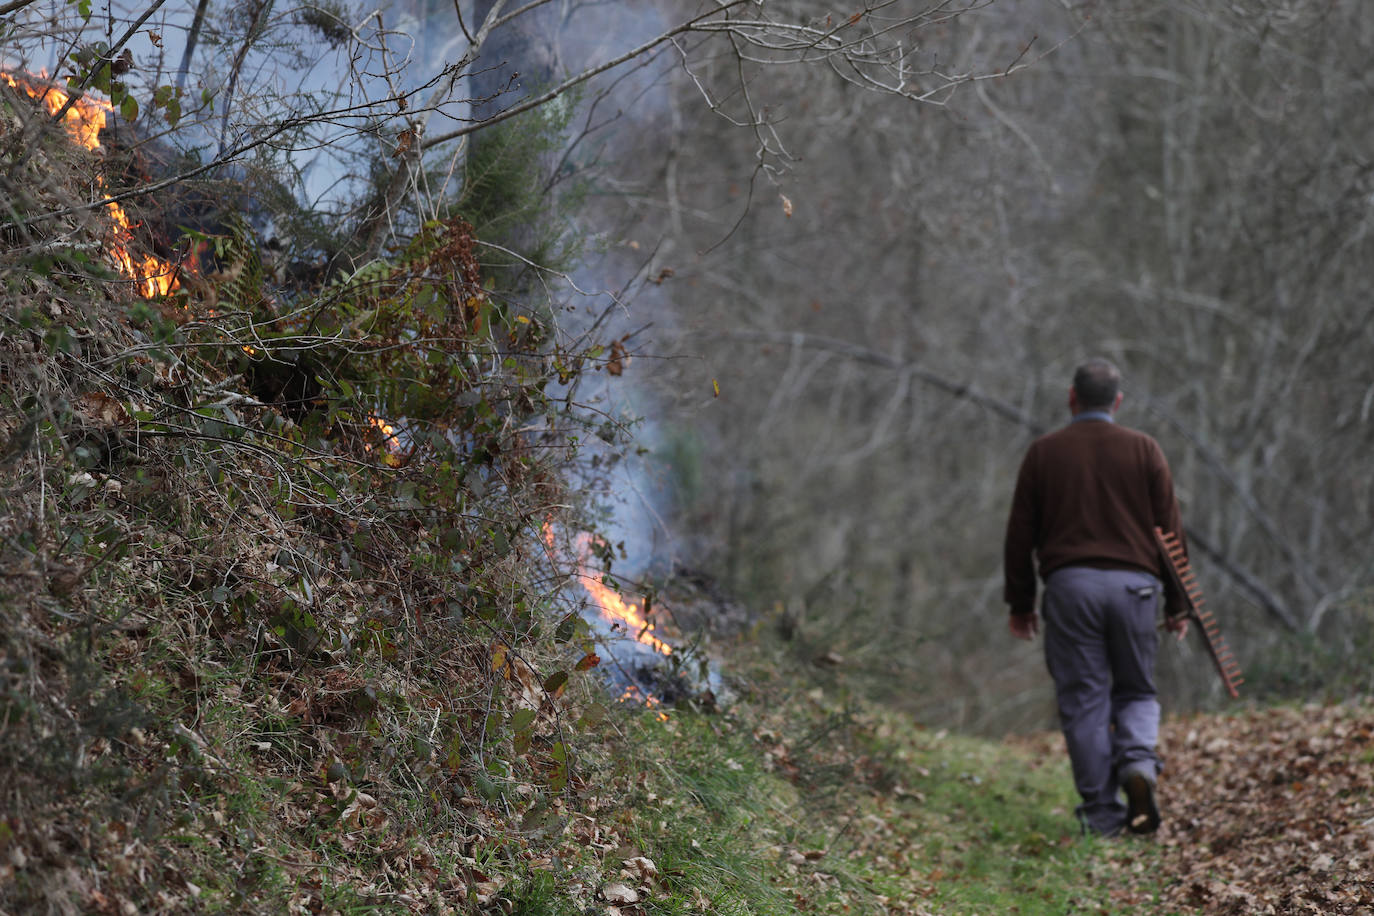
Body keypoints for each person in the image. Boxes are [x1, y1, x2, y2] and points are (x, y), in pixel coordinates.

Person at [1003, 358, 1188, 838]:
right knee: (1137, 689)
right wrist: (1177, 603)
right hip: (1136, 588)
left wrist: (1020, 604)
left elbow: (1019, 535)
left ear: (1072, 397)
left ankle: (1103, 818)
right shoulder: (1144, 449)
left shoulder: (1044, 453)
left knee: (1084, 701)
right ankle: (1138, 765)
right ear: (1117, 402)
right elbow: (1169, 531)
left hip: (1071, 588)